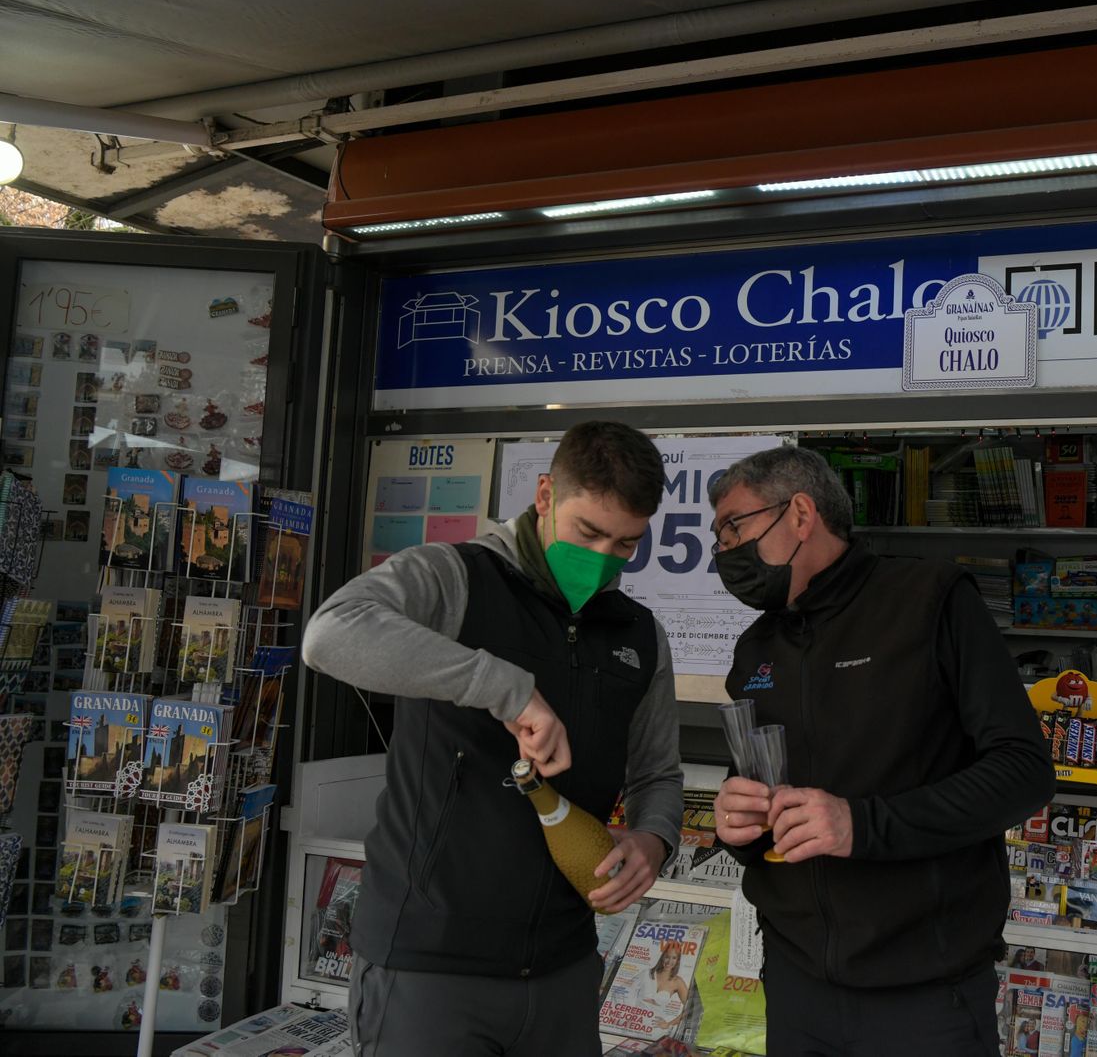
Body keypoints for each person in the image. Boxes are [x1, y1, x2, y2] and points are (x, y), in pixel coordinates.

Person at [302, 420, 684, 1057]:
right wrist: (503, 686)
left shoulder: (640, 635)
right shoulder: (454, 578)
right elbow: (331, 634)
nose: (602, 558)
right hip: (429, 968)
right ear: (544, 496)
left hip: (562, 969)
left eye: (625, 544)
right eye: (588, 533)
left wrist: (654, 837)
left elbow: (658, 776)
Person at [708, 446, 1056, 1056]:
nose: (723, 550)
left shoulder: (929, 598)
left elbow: (1023, 770)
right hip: (795, 986)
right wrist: (737, 826)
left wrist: (862, 825)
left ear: (800, 514)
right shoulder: (755, 648)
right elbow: (761, 798)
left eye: (734, 525)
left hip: (924, 996)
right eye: (717, 535)